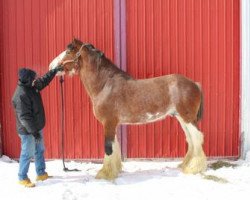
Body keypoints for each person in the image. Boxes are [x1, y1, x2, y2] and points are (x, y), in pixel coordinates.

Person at [12, 65, 63, 187]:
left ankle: (41, 173)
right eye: (33, 78)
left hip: (36, 127)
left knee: (39, 150)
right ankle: (22, 177)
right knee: (27, 153)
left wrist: (54, 70)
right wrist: (34, 132)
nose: (35, 80)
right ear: (27, 79)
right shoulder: (20, 95)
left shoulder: (32, 87)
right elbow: (24, 117)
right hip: (27, 131)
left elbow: (43, 80)